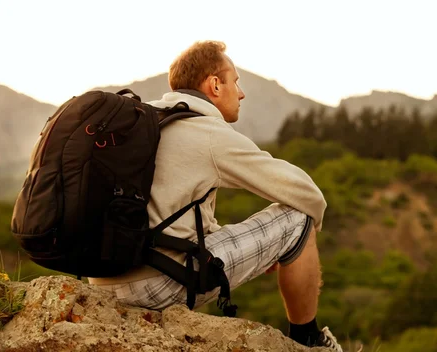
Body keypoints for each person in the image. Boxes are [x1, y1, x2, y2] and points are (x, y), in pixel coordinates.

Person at [88, 41, 342, 351]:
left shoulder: (146, 121)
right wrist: (294, 244)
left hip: (103, 282)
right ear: (215, 84)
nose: (242, 92)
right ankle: (309, 341)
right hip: (158, 284)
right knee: (297, 220)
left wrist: (265, 249)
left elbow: (172, 222)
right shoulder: (206, 132)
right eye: (236, 81)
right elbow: (306, 192)